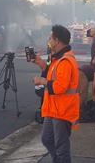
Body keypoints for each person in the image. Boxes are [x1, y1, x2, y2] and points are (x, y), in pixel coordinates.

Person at [33, 25, 79, 163]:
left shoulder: (65, 61)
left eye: (50, 38)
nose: (48, 40)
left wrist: (42, 81)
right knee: (47, 139)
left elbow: (59, 87)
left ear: (57, 40)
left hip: (62, 111)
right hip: (53, 109)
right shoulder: (57, 58)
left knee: (61, 146)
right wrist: (39, 62)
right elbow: (51, 73)